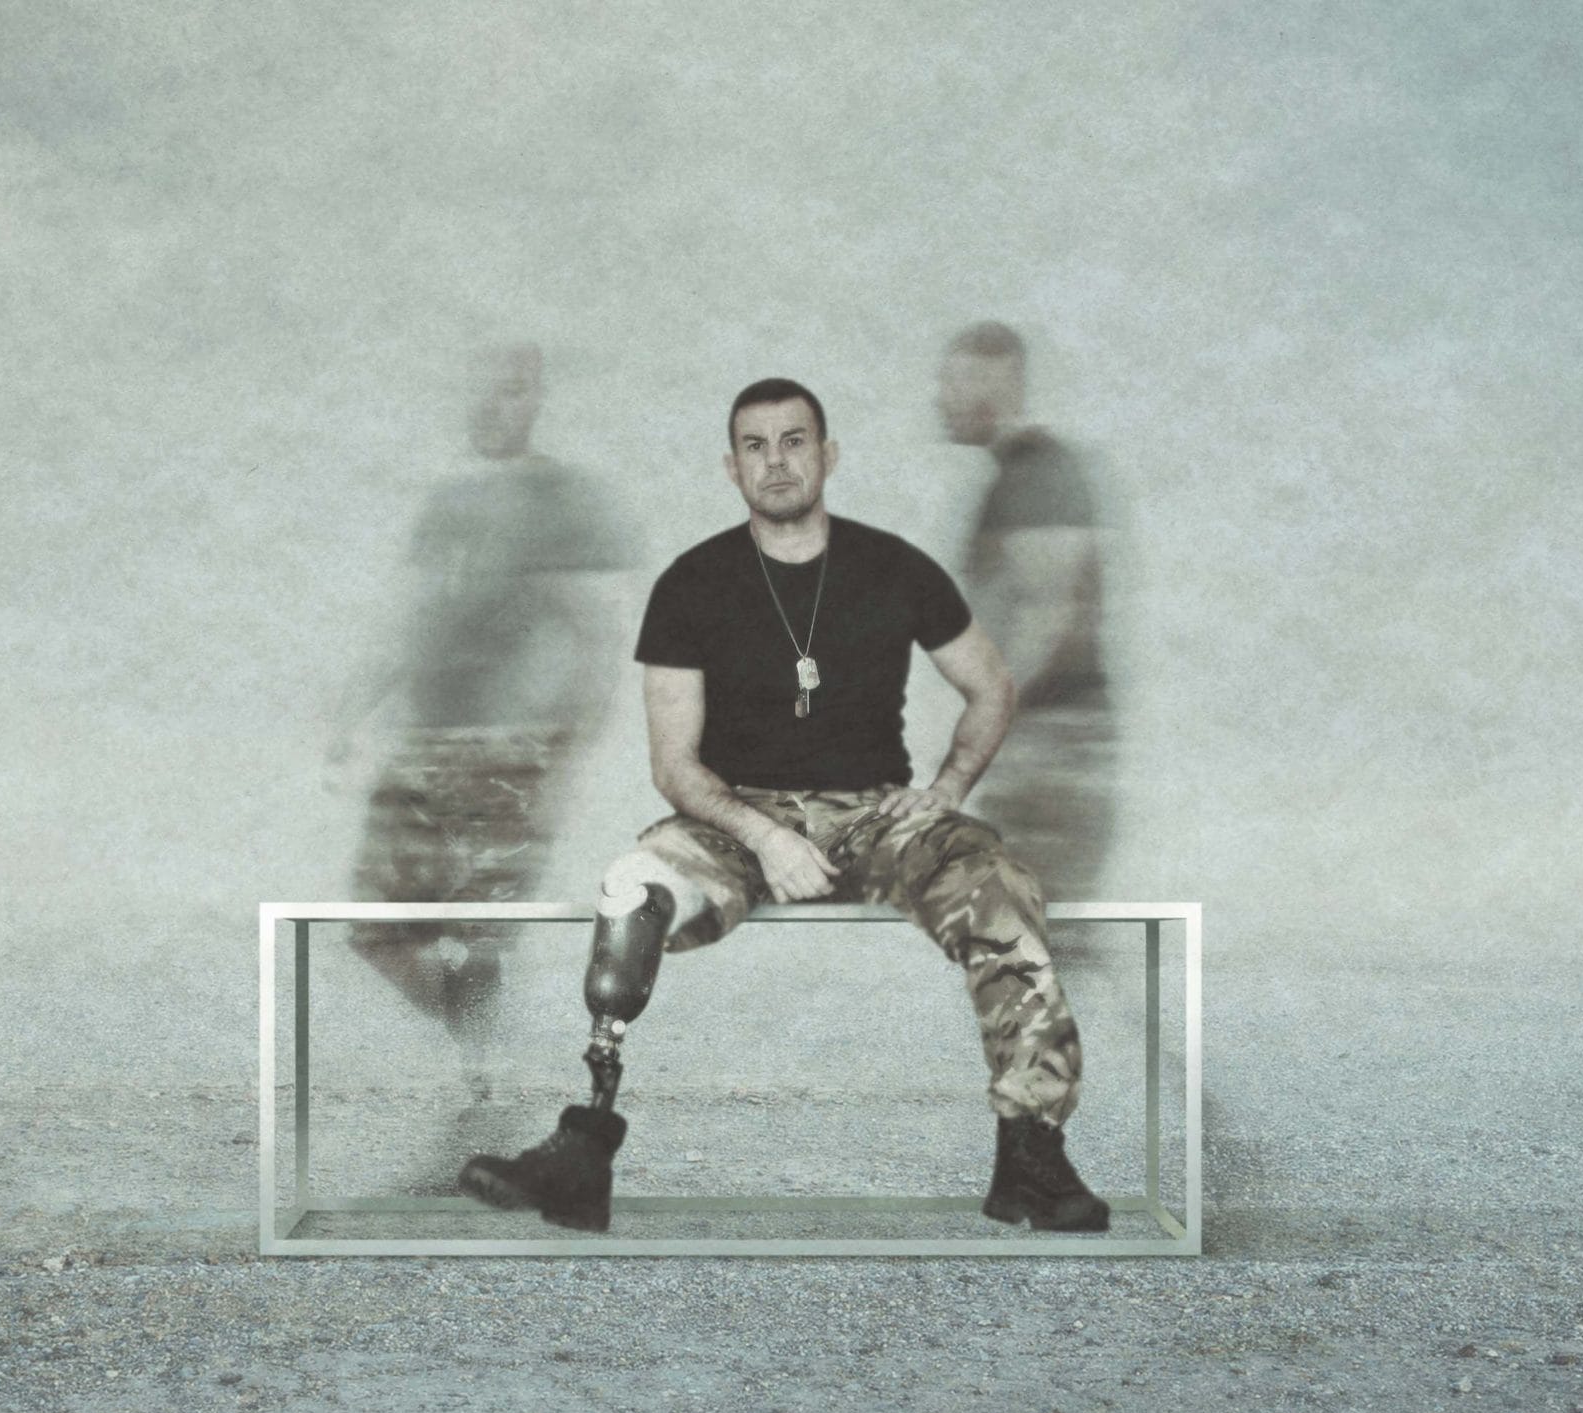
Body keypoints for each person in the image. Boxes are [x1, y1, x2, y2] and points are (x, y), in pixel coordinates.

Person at [457, 377, 1110, 1234]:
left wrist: (946, 790)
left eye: (794, 441)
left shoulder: (894, 566)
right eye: (756, 446)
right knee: (630, 889)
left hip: (876, 815)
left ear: (827, 455)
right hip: (736, 816)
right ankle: (584, 1150)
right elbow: (674, 765)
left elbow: (991, 686)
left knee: (1000, 884)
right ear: (732, 468)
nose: (776, 461)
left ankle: (1030, 1151)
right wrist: (765, 838)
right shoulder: (692, 584)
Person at [324, 341, 634, 1142]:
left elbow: (594, 637)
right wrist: (353, 711)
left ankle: (488, 1082)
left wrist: (565, 757)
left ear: (535, 400)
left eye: (510, 393)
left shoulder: (557, 497)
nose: (491, 407)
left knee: (478, 935)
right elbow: (414, 618)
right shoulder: (449, 501)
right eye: (480, 391)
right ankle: (487, 1055)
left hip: (507, 749)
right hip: (423, 743)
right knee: (376, 932)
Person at [935, 321, 1116, 902]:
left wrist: (992, 719)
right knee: (1032, 931)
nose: (941, 400)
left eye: (954, 382)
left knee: (1037, 931)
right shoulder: (1020, 476)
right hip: (1045, 748)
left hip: (1053, 751)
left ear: (996, 386)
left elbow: (1050, 612)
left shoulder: (1036, 473)